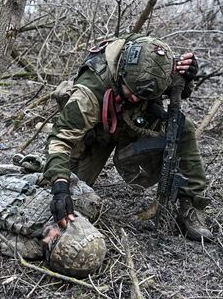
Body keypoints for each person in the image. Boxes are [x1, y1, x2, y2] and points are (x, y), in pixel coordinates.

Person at [44, 33, 212, 241]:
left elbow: (180, 92)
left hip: (136, 122)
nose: (134, 97)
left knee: (183, 127)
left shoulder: (158, 69)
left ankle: (192, 206)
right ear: (121, 73)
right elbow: (60, 139)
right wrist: (60, 185)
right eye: (131, 91)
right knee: (69, 194)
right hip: (95, 133)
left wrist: (187, 78)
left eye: (140, 95)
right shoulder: (90, 90)